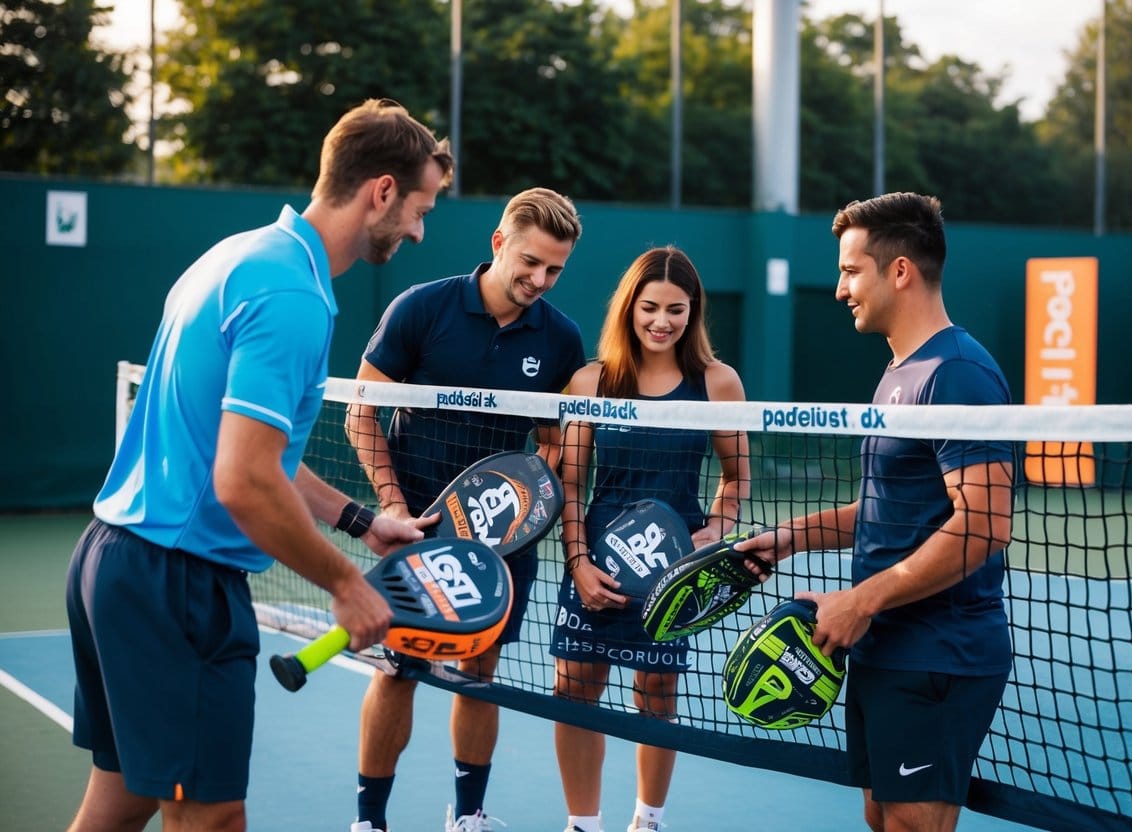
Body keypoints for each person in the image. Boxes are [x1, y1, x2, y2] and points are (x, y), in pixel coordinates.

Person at [63, 99, 453, 832]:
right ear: (380, 191)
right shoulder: (292, 296)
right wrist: (345, 586)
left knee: (119, 802)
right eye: (418, 209)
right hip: (176, 583)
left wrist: (360, 522)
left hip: (112, 562)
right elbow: (241, 481)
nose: (419, 230)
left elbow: (247, 452)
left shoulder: (240, 255)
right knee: (211, 816)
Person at [736, 192, 1014, 832]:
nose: (840, 290)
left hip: (938, 654)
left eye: (850, 270)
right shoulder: (901, 371)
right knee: (880, 817)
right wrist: (792, 537)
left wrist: (859, 601)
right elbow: (889, 509)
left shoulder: (958, 373)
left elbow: (984, 525)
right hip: (885, 647)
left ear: (899, 271)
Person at [344, 187, 586, 832]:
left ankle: (469, 816)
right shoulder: (421, 309)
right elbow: (360, 410)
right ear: (499, 243)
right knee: (398, 669)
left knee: (481, 671)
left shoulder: (561, 338)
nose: (540, 279)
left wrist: (531, 499)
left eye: (554, 269)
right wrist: (393, 508)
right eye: (530, 262)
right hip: (415, 529)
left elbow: (554, 439)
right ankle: (370, 821)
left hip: (503, 543)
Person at [550, 246, 750, 832]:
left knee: (657, 696)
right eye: (650, 307)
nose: (662, 321)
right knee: (572, 690)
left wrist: (716, 529)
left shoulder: (717, 382)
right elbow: (569, 485)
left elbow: (736, 478)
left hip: (673, 575)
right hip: (595, 568)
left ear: (694, 313)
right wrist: (579, 561)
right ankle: (583, 824)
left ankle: (648, 821)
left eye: (677, 310)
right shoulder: (591, 381)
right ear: (629, 308)